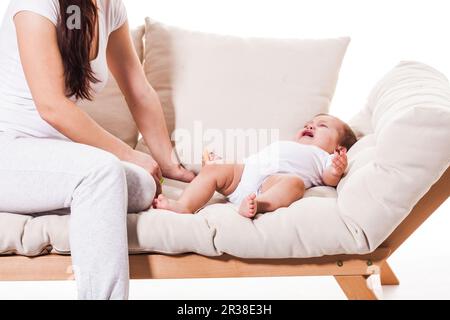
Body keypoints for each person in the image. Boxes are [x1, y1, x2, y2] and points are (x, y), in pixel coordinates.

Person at [0, 0, 194, 299]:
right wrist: (128, 154)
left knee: (144, 185)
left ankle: (47, 196)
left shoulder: (110, 7)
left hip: (52, 161)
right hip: (9, 152)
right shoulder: (36, 4)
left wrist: (167, 164)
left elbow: (137, 88)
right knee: (103, 173)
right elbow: (52, 107)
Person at [154, 114, 358, 218]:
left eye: (322, 125)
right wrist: (221, 164)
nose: (311, 126)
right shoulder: (288, 145)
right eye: (309, 123)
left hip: (273, 184)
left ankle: (258, 205)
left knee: (293, 184)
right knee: (215, 169)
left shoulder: (324, 156)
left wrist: (336, 169)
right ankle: (184, 205)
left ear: (339, 147)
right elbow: (253, 162)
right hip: (244, 176)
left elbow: (329, 178)